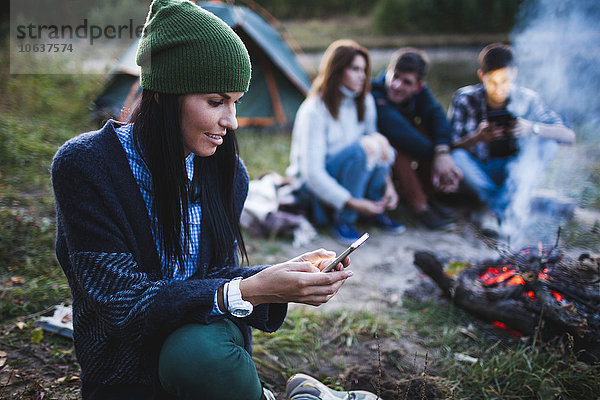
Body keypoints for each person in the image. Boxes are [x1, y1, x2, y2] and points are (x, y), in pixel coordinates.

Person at [51, 1, 376, 399]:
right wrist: (251, 290)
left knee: (197, 354)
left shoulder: (227, 173)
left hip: (198, 345)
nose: (232, 121)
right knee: (194, 357)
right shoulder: (85, 167)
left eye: (236, 102)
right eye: (216, 101)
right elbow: (123, 304)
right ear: (166, 95)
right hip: (123, 372)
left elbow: (210, 273)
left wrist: (282, 276)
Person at [448, 43, 575, 237]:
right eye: (493, 82)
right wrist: (477, 138)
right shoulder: (465, 98)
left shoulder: (528, 98)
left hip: (514, 172)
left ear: (514, 74)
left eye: (505, 80)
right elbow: (451, 147)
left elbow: (568, 136)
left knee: (548, 144)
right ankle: (508, 207)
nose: (499, 89)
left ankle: (491, 209)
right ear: (481, 76)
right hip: (480, 172)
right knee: (457, 156)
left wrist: (532, 128)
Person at [286, 39, 404, 245]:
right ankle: (345, 220)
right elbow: (312, 174)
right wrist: (353, 203)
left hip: (349, 178)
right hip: (312, 191)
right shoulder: (314, 110)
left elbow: (377, 146)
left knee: (379, 143)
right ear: (338, 71)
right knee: (364, 148)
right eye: (355, 69)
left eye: (364, 70)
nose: (362, 76)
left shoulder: (365, 101)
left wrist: (389, 186)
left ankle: (376, 207)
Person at [371, 47, 461, 230]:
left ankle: (428, 197)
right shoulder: (375, 92)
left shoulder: (421, 93)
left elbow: (437, 116)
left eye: (406, 82)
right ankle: (419, 205)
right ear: (387, 72)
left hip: (406, 147)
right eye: (395, 76)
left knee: (427, 132)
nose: (397, 85)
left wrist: (443, 150)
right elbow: (398, 132)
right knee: (397, 147)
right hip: (381, 154)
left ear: (418, 86)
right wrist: (439, 157)